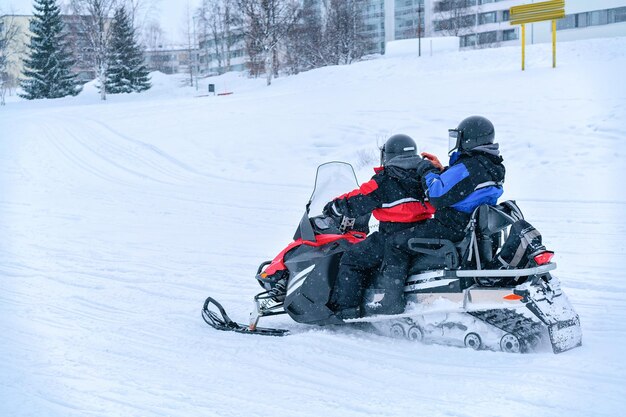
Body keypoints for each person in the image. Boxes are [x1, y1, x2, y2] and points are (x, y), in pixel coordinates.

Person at [378, 115, 506, 314]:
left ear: (469, 139)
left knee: (395, 243)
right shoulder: (491, 165)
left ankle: (391, 303)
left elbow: (436, 196)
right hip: (467, 227)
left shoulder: (469, 167)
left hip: (450, 227)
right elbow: (465, 188)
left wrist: (427, 170)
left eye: (459, 138)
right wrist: (445, 171)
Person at [322, 134, 435, 320]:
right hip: (420, 234)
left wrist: (335, 206)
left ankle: (346, 309)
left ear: (388, 155)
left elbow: (358, 200)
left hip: (391, 236)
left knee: (352, 258)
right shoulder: (424, 176)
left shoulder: (384, 181)